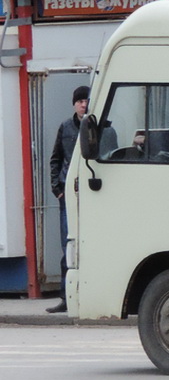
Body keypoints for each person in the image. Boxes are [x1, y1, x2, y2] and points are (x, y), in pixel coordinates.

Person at [47, 85, 90, 313]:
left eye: (86, 100)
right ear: (74, 103)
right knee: (67, 244)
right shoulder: (65, 127)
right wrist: (57, 188)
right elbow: (55, 158)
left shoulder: (98, 126)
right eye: (80, 100)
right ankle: (66, 298)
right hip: (68, 194)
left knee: (90, 243)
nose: (83, 104)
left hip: (91, 194)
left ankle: (88, 295)